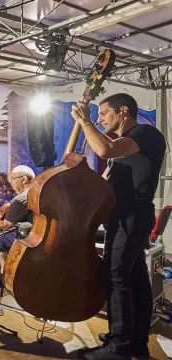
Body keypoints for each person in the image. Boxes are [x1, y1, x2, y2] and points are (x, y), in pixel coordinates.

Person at [72, 94, 166, 360]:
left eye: (103, 113)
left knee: (114, 275)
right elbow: (103, 180)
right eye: (98, 114)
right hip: (124, 216)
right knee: (135, 278)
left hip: (131, 215)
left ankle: (118, 346)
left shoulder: (144, 134)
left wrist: (85, 121)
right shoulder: (123, 146)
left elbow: (104, 150)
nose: (100, 118)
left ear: (123, 111)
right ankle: (134, 341)